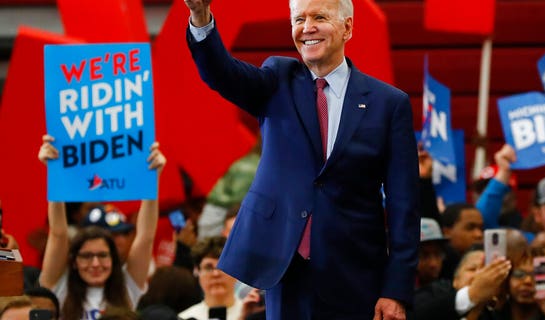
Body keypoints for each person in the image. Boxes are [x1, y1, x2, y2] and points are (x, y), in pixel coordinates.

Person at [183, 0, 420, 318]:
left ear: (347, 27)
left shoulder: (389, 104)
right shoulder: (277, 79)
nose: (307, 27)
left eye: (319, 17)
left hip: (355, 274)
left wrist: (396, 290)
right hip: (285, 269)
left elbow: (404, 207)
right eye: (299, 19)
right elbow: (222, 73)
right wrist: (200, 17)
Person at [38, 135, 166, 320]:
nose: (96, 264)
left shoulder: (127, 286)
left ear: (113, 260)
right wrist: (54, 173)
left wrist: (152, 179)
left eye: (103, 255)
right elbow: (58, 233)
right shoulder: (60, 285)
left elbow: (145, 236)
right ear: (74, 261)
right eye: (86, 256)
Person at [179, 236, 241, 320]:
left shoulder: (254, 314)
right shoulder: (185, 317)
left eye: (222, 268)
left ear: (235, 271)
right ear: (197, 271)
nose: (216, 274)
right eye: (208, 268)